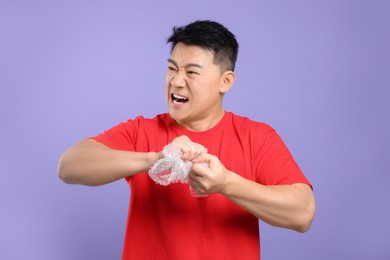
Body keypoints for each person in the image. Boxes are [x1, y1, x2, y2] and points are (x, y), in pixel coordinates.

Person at [58, 20, 315, 260]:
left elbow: (302, 213)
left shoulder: (256, 137)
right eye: (172, 68)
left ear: (225, 81)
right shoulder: (141, 131)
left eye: (191, 72)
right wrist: (155, 158)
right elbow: (69, 167)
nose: (176, 81)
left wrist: (226, 184)